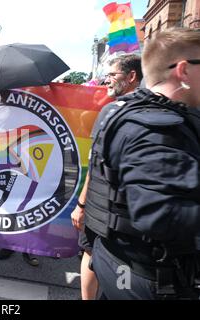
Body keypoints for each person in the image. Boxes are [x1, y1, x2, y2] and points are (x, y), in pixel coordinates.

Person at [85, 28, 200, 300]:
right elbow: (161, 213)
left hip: (119, 264)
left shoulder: (120, 110)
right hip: (150, 278)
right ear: (183, 70)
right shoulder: (157, 128)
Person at [71, 54, 142, 299]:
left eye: (112, 75)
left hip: (103, 206)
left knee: (92, 252)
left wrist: (81, 204)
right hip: (131, 211)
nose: (106, 80)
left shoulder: (112, 111)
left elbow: (95, 165)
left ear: (132, 77)